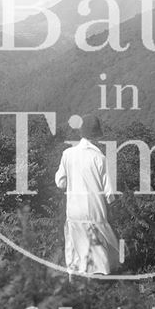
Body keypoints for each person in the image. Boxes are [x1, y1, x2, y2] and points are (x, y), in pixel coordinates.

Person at [55, 114, 119, 275]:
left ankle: (75, 282)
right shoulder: (100, 158)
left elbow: (60, 182)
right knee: (101, 252)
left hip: (74, 210)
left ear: (81, 133)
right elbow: (110, 193)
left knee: (76, 247)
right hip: (95, 210)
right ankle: (101, 282)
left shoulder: (68, 154)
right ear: (97, 136)